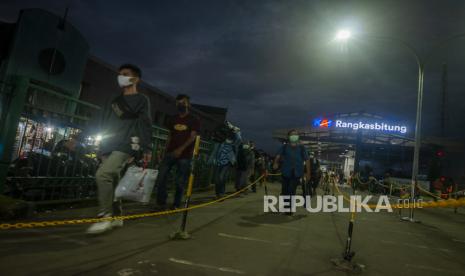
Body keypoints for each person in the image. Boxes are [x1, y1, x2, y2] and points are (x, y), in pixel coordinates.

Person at [87, 64, 152, 234]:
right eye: (119, 74)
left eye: (125, 74)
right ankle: (117, 216)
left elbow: (145, 124)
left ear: (135, 79)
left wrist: (146, 149)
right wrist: (78, 138)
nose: (120, 77)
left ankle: (105, 216)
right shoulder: (112, 100)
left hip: (126, 145)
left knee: (103, 175)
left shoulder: (141, 100)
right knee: (113, 178)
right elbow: (97, 119)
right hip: (108, 145)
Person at [155, 94, 200, 210]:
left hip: (184, 155)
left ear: (188, 105)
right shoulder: (172, 118)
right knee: (161, 177)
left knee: (180, 181)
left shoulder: (193, 120)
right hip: (170, 152)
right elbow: (170, 135)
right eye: (178, 103)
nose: (181, 105)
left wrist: (181, 149)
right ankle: (161, 202)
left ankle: (176, 203)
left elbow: (193, 137)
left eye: (183, 103)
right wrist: (163, 150)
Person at [273, 130, 311, 215]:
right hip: (286, 172)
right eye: (292, 135)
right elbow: (278, 155)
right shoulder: (285, 147)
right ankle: (286, 207)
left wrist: (308, 173)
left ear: (298, 137)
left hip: (297, 172)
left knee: (291, 190)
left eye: (296, 135)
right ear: (288, 137)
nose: (294, 136)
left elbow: (307, 160)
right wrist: (275, 162)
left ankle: (289, 208)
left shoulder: (302, 148)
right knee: (285, 191)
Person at [210, 123, 241, 198]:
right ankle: (218, 194)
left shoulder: (233, 142)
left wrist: (234, 129)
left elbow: (239, 139)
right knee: (217, 179)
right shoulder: (220, 142)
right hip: (218, 161)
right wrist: (213, 159)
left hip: (227, 161)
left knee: (221, 177)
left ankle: (221, 193)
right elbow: (214, 147)